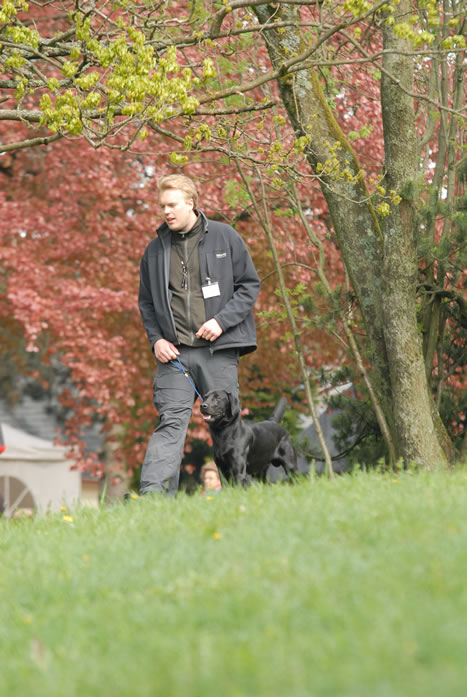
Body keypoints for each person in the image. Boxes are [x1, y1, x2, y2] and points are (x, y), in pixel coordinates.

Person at [138, 174, 260, 496]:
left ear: (190, 203)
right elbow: (146, 303)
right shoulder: (154, 251)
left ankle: (237, 499)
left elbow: (249, 286)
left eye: (172, 205)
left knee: (227, 427)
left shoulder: (224, 237)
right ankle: (153, 500)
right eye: (162, 206)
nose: (166, 211)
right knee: (170, 424)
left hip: (218, 350)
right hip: (175, 357)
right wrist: (156, 339)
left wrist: (221, 321)